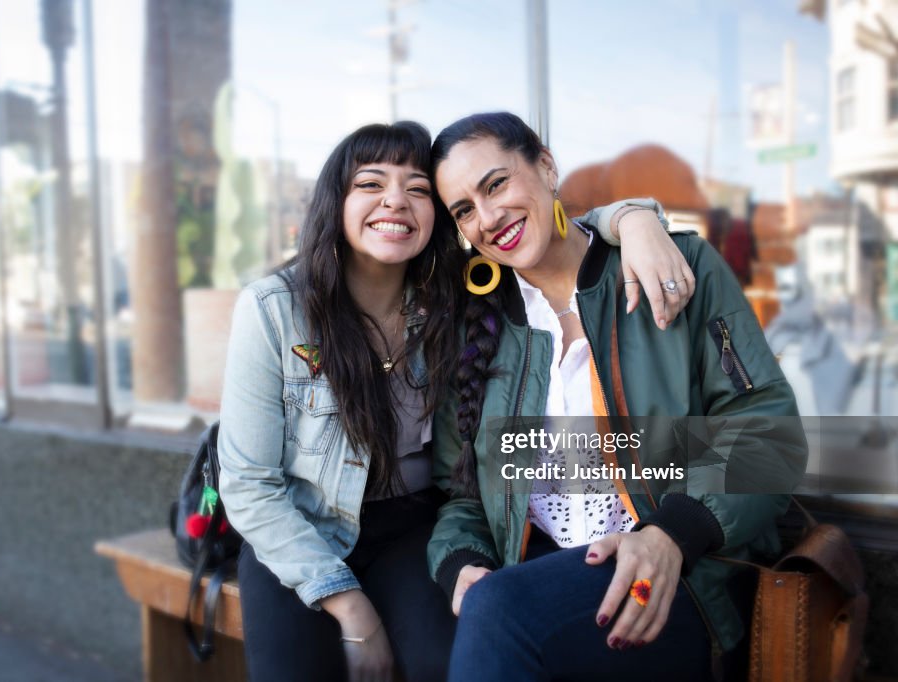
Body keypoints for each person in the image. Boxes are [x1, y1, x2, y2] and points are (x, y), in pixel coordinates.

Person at [217, 120, 693, 682]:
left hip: (412, 528)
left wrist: (632, 219)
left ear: (439, 218)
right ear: (336, 202)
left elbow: (542, 229)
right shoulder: (274, 308)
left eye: (418, 189)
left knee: (445, 663)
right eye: (371, 184)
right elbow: (249, 484)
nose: (395, 200)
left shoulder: (460, 296)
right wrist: (347, 603)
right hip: (296, 530)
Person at [425, 112, 807, 681]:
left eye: (496, 184)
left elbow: (765, 429)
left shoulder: (677, 264)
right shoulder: (477, 324)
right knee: (487, 611)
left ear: (546, 167)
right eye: (463, 210)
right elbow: (460, 493)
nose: (487, 218)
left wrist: (671, 535)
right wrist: (463, 562)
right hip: (534, 576)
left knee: (501, 616)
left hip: (680, 574)